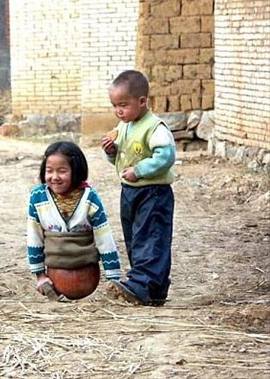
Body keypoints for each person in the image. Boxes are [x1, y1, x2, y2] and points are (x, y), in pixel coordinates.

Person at [101, 70, 176, 306]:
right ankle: (152, 289)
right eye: (114, 106)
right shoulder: (125, 126)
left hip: (153, 192)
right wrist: (111, 152)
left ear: (142, 101)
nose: (118, 111)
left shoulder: (155, 127)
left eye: (123, 105)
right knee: (134, 237)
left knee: (150, 237)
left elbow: (166, 156)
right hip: (130, 192)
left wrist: (140, 171)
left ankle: (141, 283)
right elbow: (122, 156)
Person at [27, 141, 122, 299]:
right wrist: (40, 276)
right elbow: (34, 237)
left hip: (87, 276)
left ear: (76, 170)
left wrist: (113, 278)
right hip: (55, 275)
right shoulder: (38, 197)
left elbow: (104, 237)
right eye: (49, 171)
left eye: (62, 171)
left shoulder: (89, 198)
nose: (55, 177)